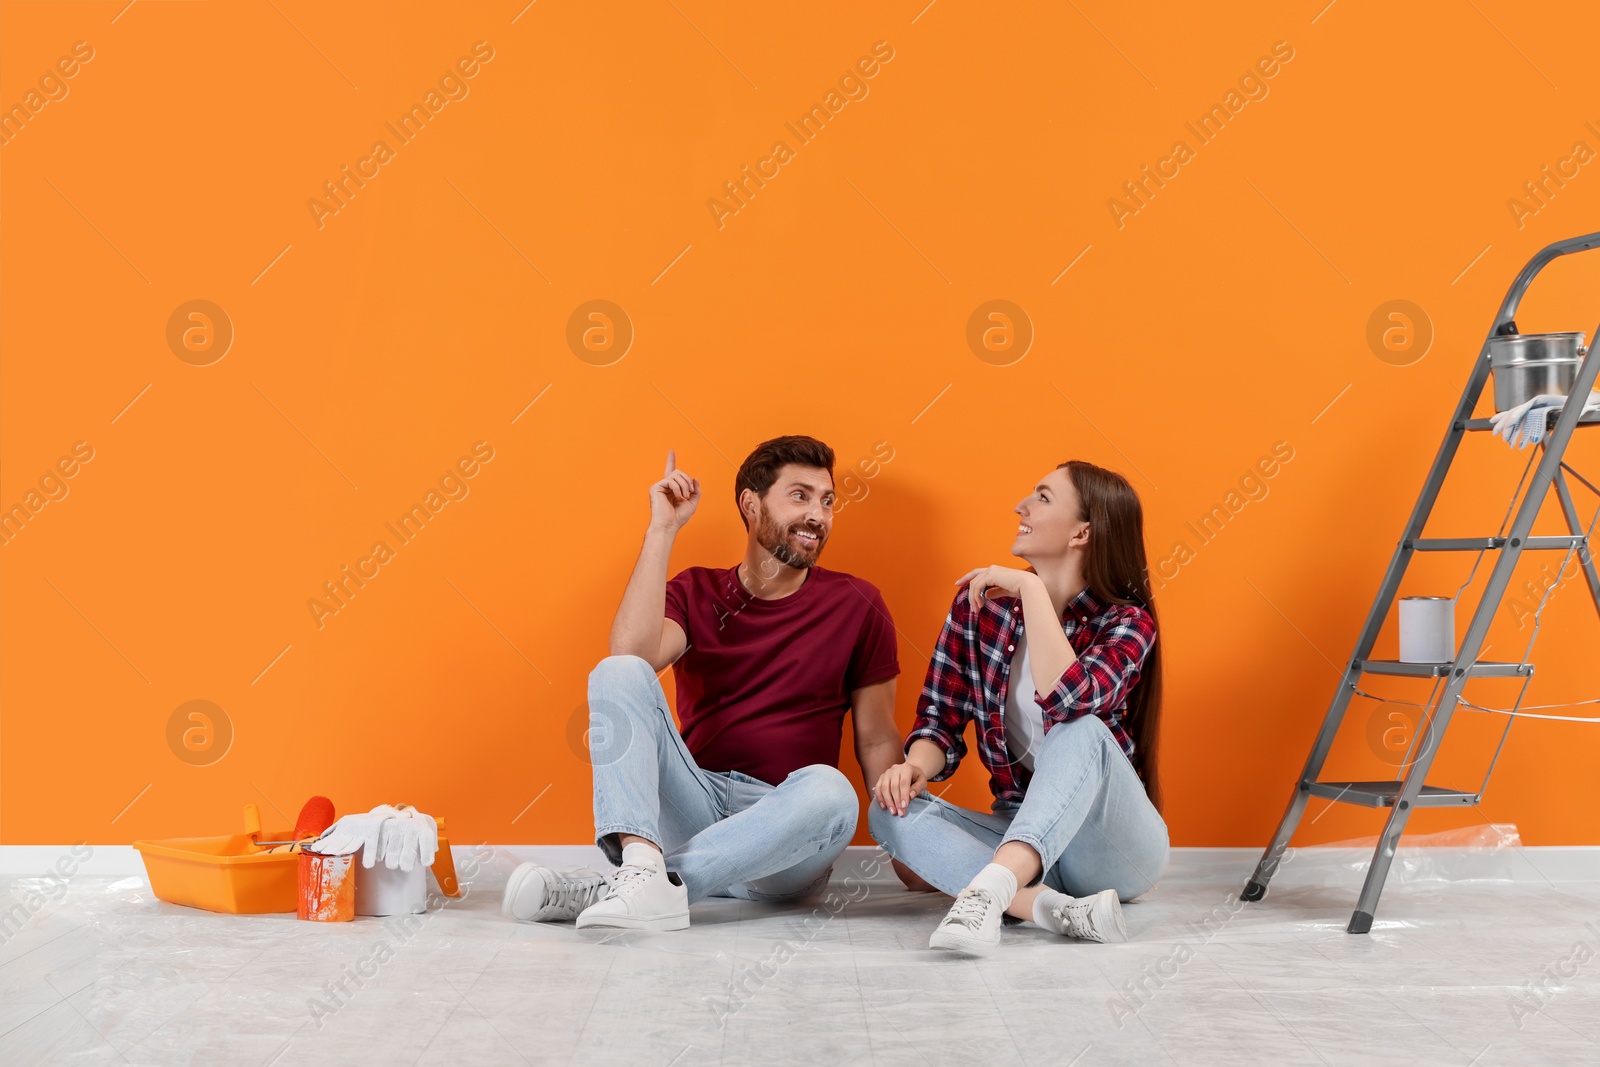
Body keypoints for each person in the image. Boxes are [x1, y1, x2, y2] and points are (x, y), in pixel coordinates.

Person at [502, 436, 903, 931]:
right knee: (617, 669)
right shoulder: (697, 591)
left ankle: (625, 887)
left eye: (826, 501)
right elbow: (631, 656)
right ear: (751, 505)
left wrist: (905, 842)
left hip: (786, 828)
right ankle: (645, 870)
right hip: (696, 803)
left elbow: (879, 737)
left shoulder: (858, 604)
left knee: (832, 791)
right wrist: (661, 530)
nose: (818, 515)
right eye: (800, 496)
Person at [869, 459, 1167, 952]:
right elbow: (940, 720)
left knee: (1080, 729)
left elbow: (1069, 698)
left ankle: (988, 893)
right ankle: (1048, 908)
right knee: (889, 810)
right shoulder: (981, 607)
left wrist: (1031, 588)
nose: (1020, 506)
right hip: (1022, 830)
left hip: (1113, 851)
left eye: (1043, 498)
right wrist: (914, 767)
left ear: (1082, 533)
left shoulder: (1127, 623)